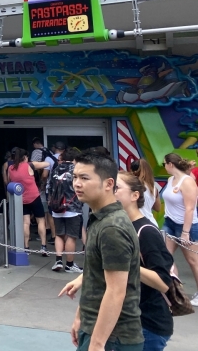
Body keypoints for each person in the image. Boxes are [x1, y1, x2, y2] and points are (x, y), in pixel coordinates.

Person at [61, 151, 143, 351]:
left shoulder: (112, 228)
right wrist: (80, 318)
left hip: (113, 339)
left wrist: (97, 344)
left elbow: (116, 291)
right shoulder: (99, 219)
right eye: (75, 177)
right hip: (97, 329)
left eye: (85, 178)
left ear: (108, 184)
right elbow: (96, 277)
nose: (77, 184)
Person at [116, 173, 174, 350]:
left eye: (116, 188)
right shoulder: (119, 226)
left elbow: (164, 283)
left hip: (147, 324)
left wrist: (123, 264)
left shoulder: (146, 231)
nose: (110, 192)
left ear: (135, 195)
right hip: (126, 320)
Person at [160, 152, 198, 305]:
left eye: (164, 164)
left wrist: (185, 233)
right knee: (164, 256)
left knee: (193, 261)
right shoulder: (170, 180)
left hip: (187, 225)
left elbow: (190, 208)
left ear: (170, 164)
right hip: (170, 222)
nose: (164, 167)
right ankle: (175, 290)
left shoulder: (187, 182)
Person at [7, 147, 50, 255]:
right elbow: (47, 164)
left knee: (26, 223)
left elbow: (9, 181)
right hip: (34, 197)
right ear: (24, 157)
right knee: (41, 221)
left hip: (21, 199)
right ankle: (43, 246)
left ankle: (26, 247)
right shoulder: (29, 165)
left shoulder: (10, 168)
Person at [47, 147, 83, 273]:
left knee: (59, 235)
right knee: (71, 237)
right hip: (72, 207)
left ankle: (58, 261)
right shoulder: (76, 170)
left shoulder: (56, 169)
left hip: (57, 208)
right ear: (74, 159)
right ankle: (69, 265)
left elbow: (49, 188)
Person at [130, 158, 162, 224]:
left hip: (138, 223)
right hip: (151, 223)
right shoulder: (153, 188)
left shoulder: (132, 185)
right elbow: (158, 208)